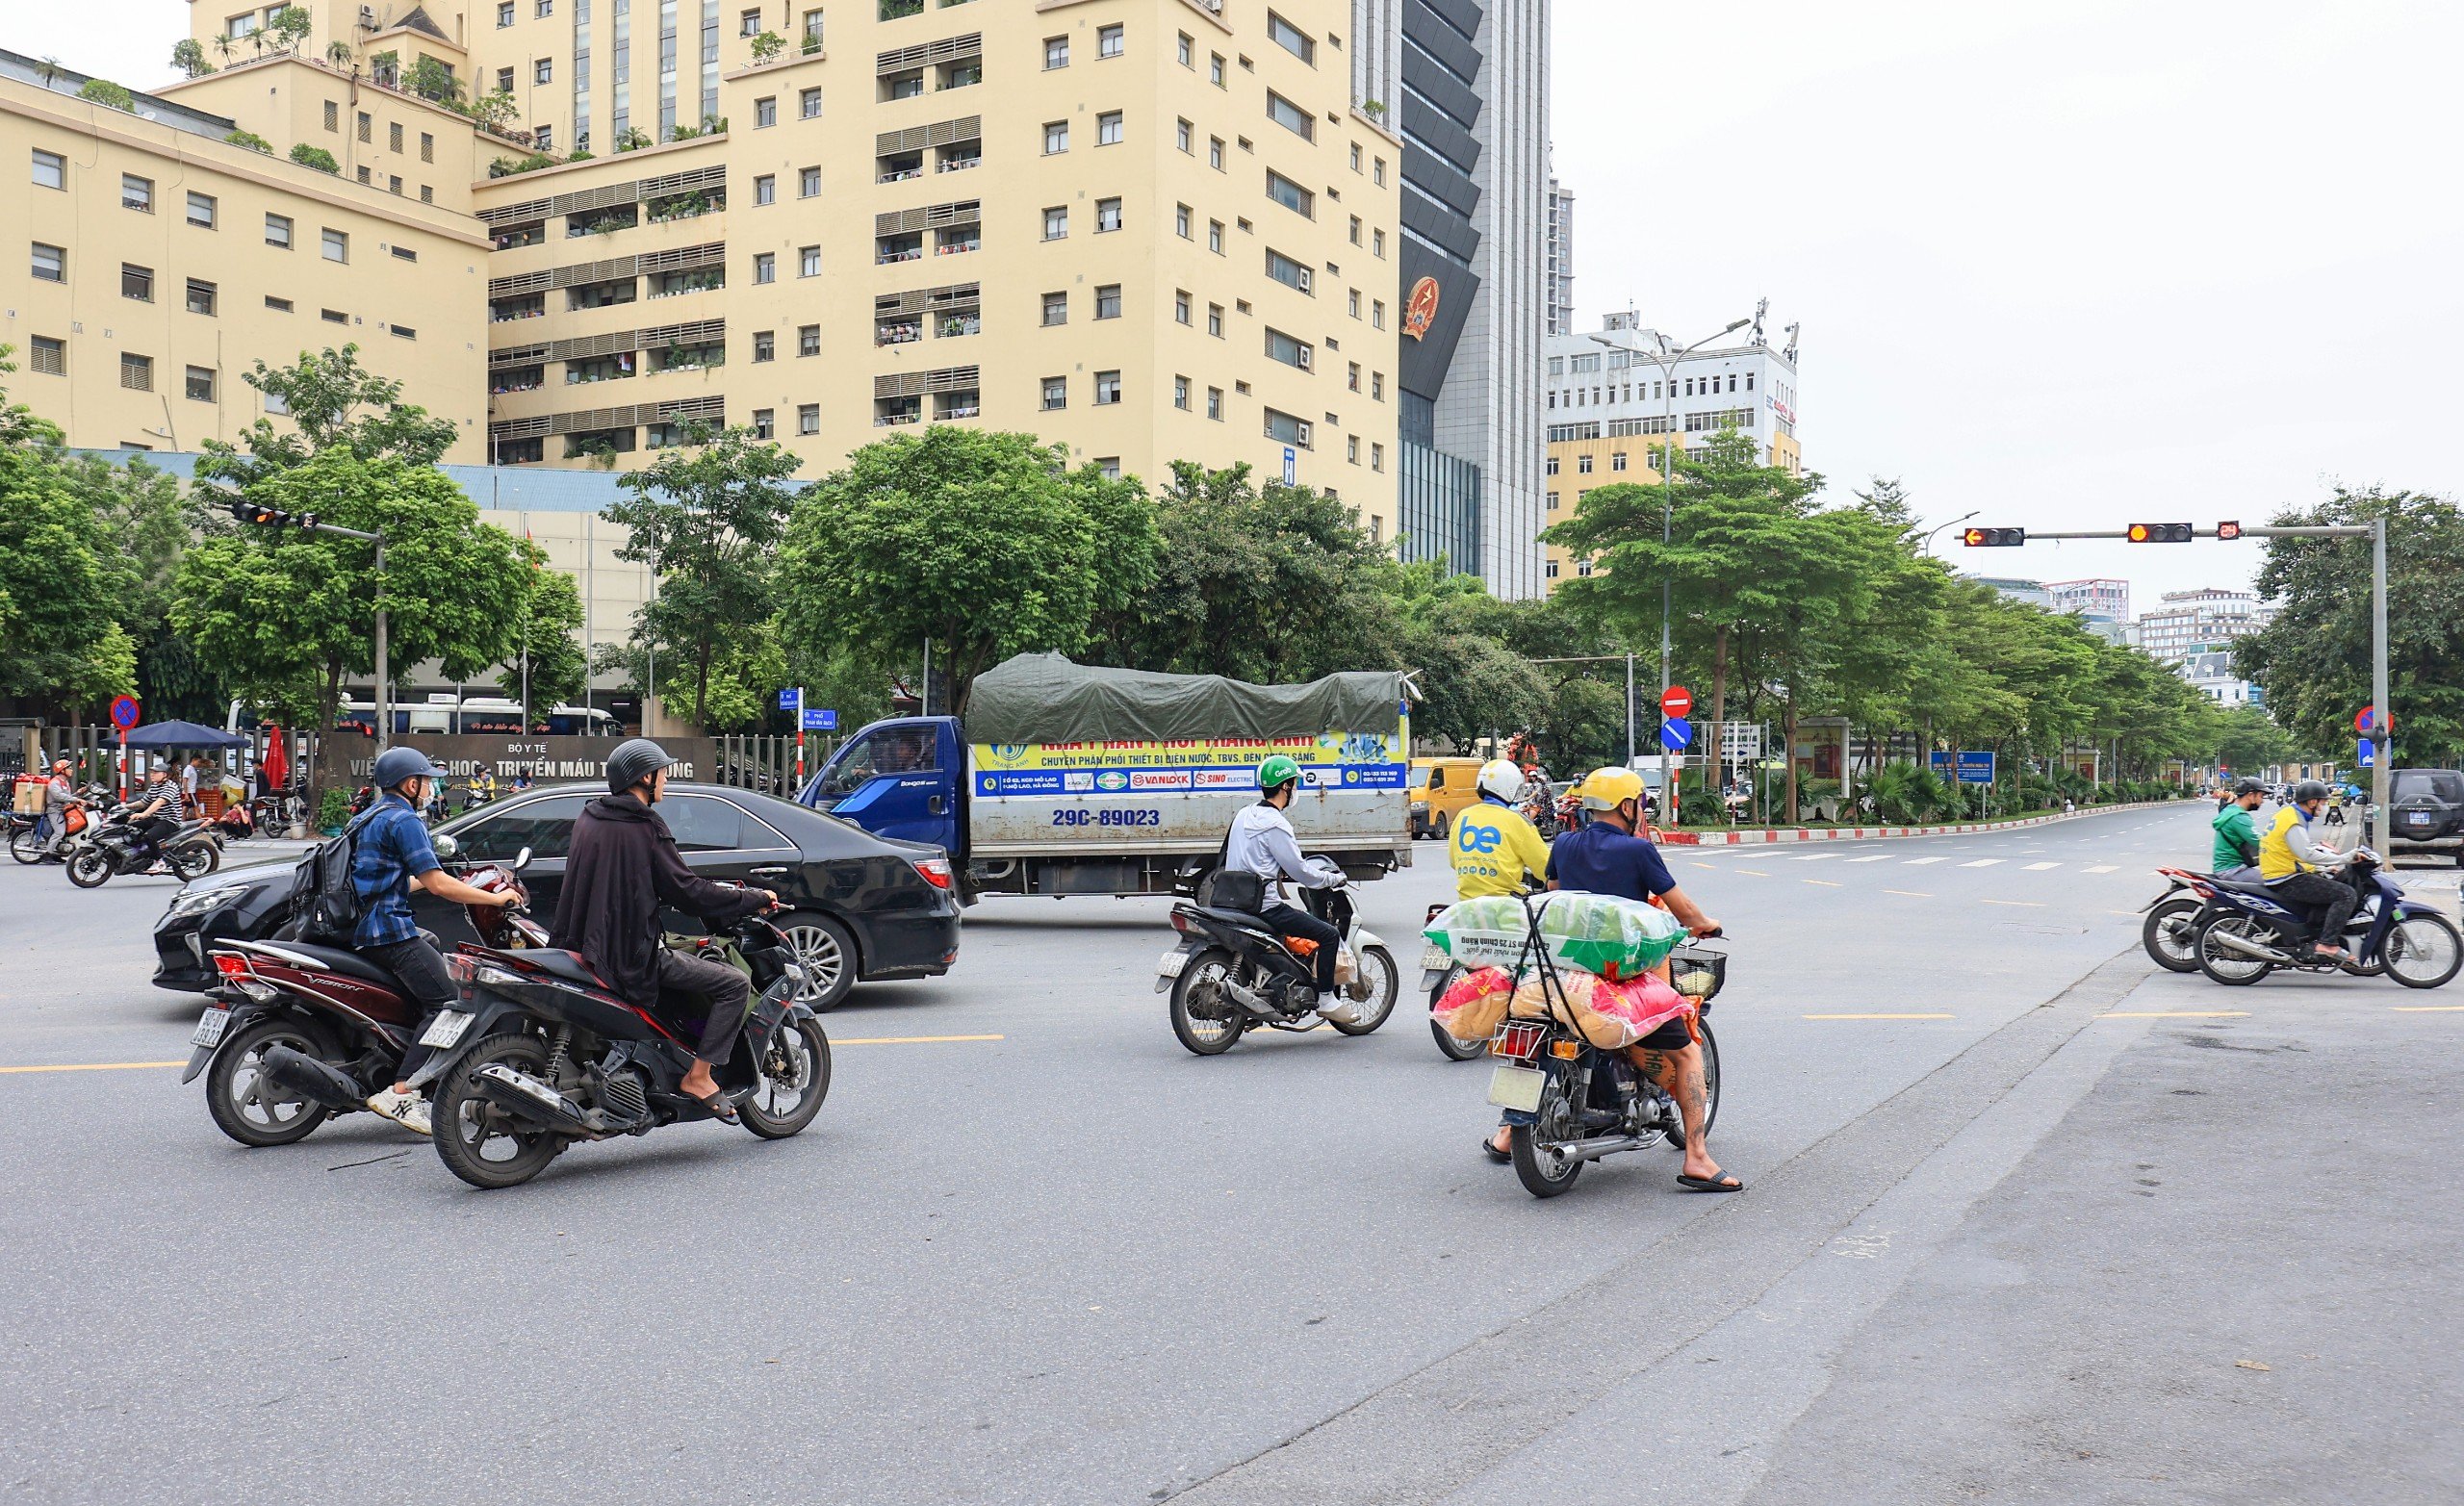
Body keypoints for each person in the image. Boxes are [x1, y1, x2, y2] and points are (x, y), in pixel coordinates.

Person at [1484, 765, 1737, 1191]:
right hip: (1619, 980)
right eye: (1640, 803)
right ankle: (1697, 1157)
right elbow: (1684, 912)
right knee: (1689, 1053)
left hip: (1563, 974)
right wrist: (1706, 923)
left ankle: (1509, 1132)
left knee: (1533, 1040)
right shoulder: (1638, 852)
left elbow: (1555, 897)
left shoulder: (1563, 843)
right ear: (1627, 805)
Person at [550, 739, 776, 1119]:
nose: (666, 781)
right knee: (735, 984)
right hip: (628, 957)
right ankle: (699, 1077)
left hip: (580, 947)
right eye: (663, 774)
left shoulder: (591, 817)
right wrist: (753, 898)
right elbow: (687, 892)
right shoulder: (645, 825)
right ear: (645, 778)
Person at [356, 747, 522, 1134]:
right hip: (388, 932)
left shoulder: (369, 816)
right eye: (428, 781)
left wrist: (447, 882)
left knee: (431, 943)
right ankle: (401, 1091)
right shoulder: (404, 820)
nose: (432, 788)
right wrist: (496, 898)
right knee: (450, 1003)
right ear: (410, 784)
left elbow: (393, 880)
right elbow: (437, 883)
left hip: (366, 927)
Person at [1219, 753, 1353, 1021]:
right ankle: (1326, 999)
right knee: (1327, 934)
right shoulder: (1277, 824)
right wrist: (1332, 879)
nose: (1296, 789)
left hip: (1230, 901)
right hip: (1263, 907)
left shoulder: (1244, 814)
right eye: (1295, 783)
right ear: (1285, 787)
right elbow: (1301, 871)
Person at [2258, 779, 2359, 964]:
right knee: (2346, 894)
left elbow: (2297, 851)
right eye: (2322, 802)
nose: (2324, 807)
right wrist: (2344, 858)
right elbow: (2306, 853)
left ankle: (2313, 935)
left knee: (2333, 883)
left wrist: (2325, 866)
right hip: (2286, 877)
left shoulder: (2290, 815)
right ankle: (2327, 943)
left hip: (2284, 871)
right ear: (2312, 802)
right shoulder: (2293, 821)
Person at [1448, 759, 1553, 900]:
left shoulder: (1462, 815)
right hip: (1505, 908)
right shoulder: (1517, 821)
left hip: (1466, 906)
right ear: (1510, 787)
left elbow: (1454, 862)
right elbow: (1546, 869)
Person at [126, 762, 190, 867]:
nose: (152, 774)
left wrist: (144, 814)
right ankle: (141, 854)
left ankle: (159, 861)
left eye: (155, 772)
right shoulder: (155, 786)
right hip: (156, 818)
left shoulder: (171, 786)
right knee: (129, 827)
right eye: (151, 772)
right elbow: (143, 802)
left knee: (149, 836)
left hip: (170, 821)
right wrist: (124, 807)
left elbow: (159, 802)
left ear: (165, 774)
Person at [2211, 779, 2266, 878]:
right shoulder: (2239, 817)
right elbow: (2261, 842)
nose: (2262, 801)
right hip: (2232, 870)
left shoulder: (2229, 810)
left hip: (2225, 868)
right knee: (2273, 883)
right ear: (2251, 795)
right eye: (2261, 796)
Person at [39, 759, 79, 859]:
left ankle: (58, 853)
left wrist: (78, 794)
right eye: (69, 768)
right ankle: (48, 854)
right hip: (55, 811)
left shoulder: (65, 782)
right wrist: (76, 799)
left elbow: (67, 797)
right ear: (62, 770)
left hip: (63, 810)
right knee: (59, 832)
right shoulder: (54, 783)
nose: (72, 769)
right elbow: (59, 796)